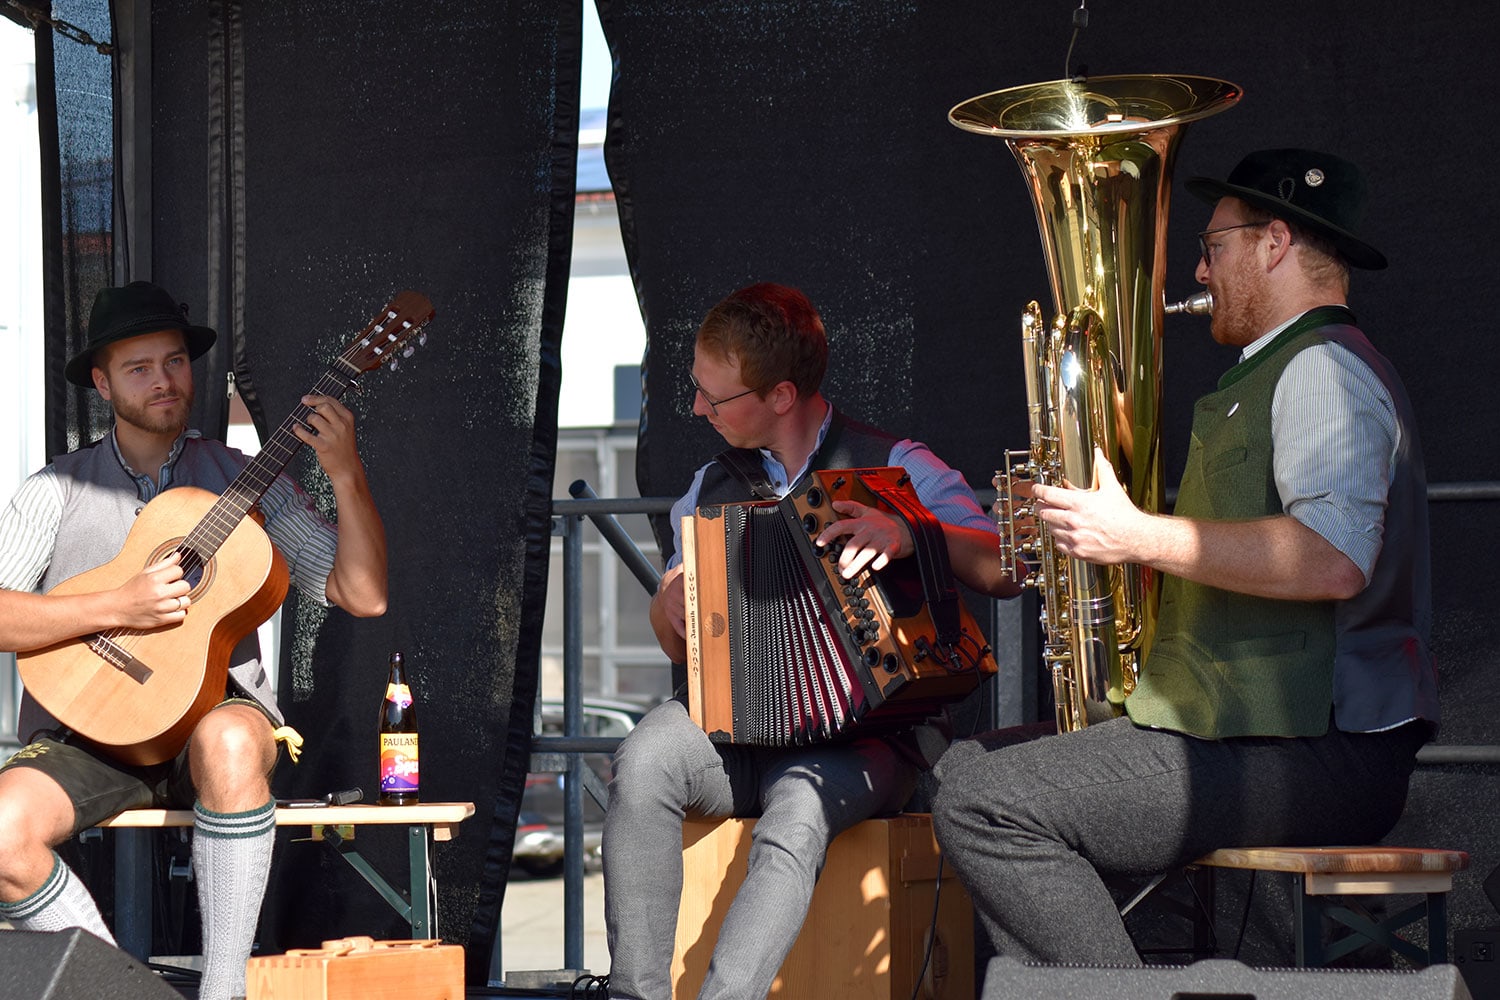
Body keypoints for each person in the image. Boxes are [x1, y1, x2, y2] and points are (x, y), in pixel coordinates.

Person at [931, 147, 1439, 968]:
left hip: (1315, 747)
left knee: (987, 804)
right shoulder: (1283, 369)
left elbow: (1333, 559)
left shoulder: (1320, 369)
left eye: (1215, 246)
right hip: (1258, 730)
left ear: (1274, 242)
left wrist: (1133, 534)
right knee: (964, 767)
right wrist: (1077, 527)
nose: (1198, 267)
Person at [602, 282, 1017, 1000]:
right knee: (643, 762)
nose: (698, 409)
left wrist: (912, 530)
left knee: (799, 806)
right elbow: (680, 652)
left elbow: (1003, 566)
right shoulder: (710, 486)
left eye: (716, 397)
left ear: (782, 396)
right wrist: (667, 607)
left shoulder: (898, 463)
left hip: (870, 738)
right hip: (736, 733)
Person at [0, 281, 388, 1000]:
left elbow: (363, 594)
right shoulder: (54, 489)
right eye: (138, 367)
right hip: (86, 726)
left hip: (214, 709)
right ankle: (123, 990)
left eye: (173, 362)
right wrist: (119, 604)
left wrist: (344, 470)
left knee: (232, 741)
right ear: (101, 381)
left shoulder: (248, 483)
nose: (162, 381)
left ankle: (224, 992)